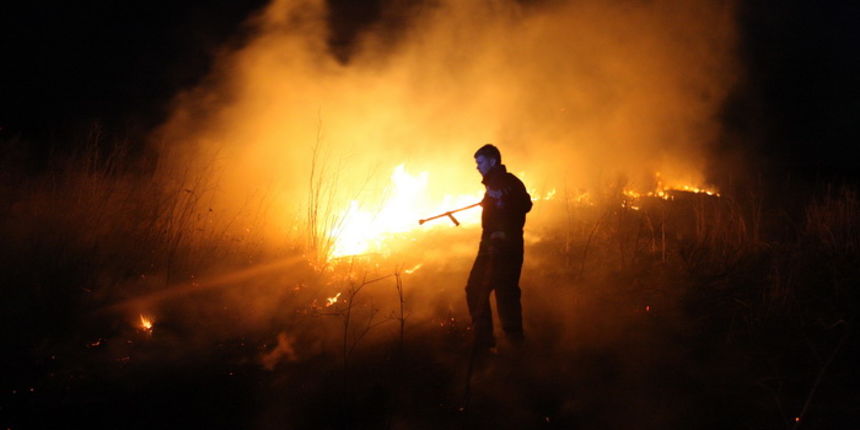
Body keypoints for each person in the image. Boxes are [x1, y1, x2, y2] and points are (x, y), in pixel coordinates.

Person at [466, 144, 532, 357]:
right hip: (504, 247)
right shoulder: (498, 184)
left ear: (493, 161)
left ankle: (485, 343)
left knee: (478, 289)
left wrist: (500, 233)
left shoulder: (504, 183)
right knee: (506, 293)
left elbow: (521, 206)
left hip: (498, 249)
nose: (477, 167)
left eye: (480, 162)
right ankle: (514, 344)